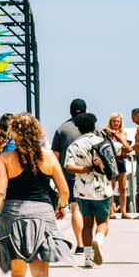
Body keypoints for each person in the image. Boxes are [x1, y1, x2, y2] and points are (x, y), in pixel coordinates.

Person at [0, 113, 72, 277]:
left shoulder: (5, 159)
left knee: (18, 273)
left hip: (13, 216)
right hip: (42, 213)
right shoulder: (48, 156)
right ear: (37, 131)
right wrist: (62, 206)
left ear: (14, 132)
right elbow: (64, 190)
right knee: (40, 272)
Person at [64, 113, 111, 267]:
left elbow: (70, 167)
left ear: (79, 129)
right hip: (101, 189)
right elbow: (126, 149)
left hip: (82, 190)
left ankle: (87, 258)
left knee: (87, 223)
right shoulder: (102, 142)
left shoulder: (74, 145)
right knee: (102, 222)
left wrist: (86, 168)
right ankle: (98, 239)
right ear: (94, 126)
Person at [51, 98, 87, 253]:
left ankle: (80, 244)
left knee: (76, 208)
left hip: (70, 174)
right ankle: (89, 243)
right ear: (85, 110)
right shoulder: (92, 128)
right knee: (89, 211)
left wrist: (55, 179)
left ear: (70, 111)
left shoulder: (62, 129)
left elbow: (55, 157)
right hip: (90, 175)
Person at [104, 113, 132, 218]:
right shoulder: (106, 133)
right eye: (114, 121)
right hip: (111, 162)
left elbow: (127, 147)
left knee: (123, 188)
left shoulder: (123, 133)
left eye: (118, 121)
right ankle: (111, 212)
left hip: (121, 161)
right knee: (110, 188)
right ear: (110, 122)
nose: (116, 123)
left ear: (120, 123)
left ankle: (124, 212)